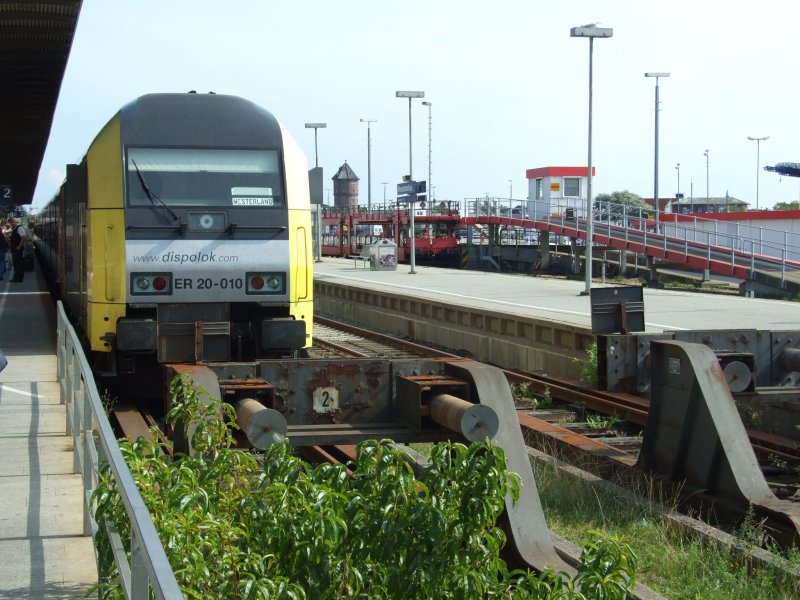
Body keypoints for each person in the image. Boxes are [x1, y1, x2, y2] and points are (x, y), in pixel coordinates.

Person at [8, 217, 26, 283]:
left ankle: (18, 278)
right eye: (11, 223)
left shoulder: (19, 228)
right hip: (15, 249)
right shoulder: (15, 229)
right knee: (16, 264)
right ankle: (18, 277)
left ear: (15, 222)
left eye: (12, 222)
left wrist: (19, 246)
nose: (11, 224)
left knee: (17, 264)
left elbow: (24, 237)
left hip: (17, 249)